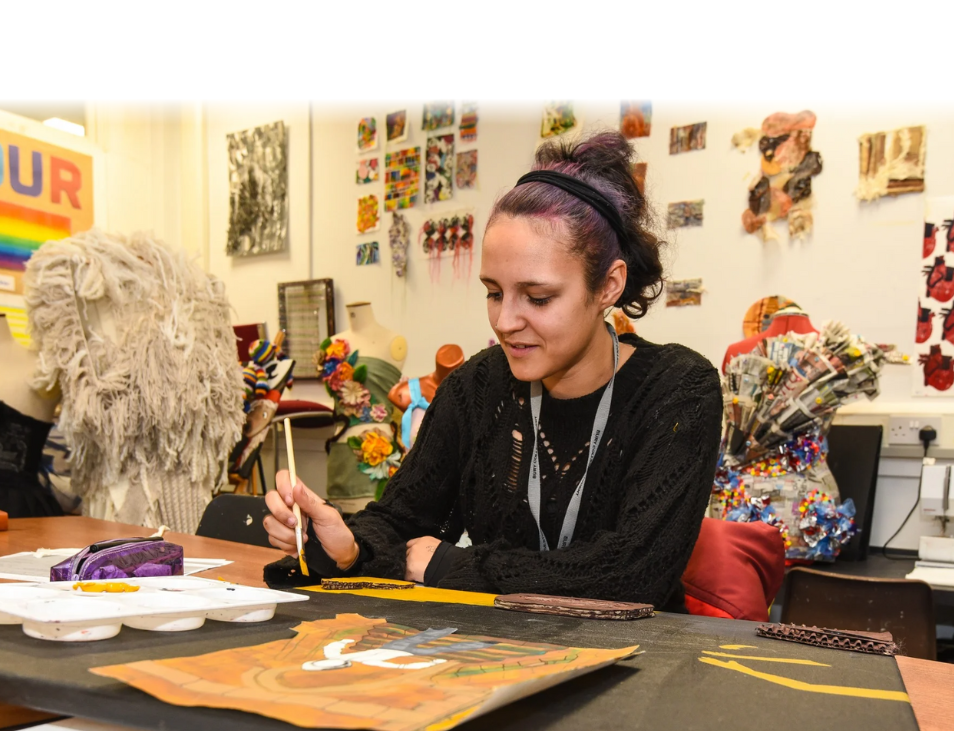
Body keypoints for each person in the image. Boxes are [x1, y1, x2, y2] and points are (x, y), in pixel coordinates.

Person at [265, 131, 721, 611]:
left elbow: (634, 574)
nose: (505, 322)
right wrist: (346, 546)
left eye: (538, 298)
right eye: (493, 292)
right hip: (498, 658)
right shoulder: (478, 386)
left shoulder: (678, 391)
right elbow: (401, 520)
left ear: (608, 286)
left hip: (636, 667)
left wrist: (451, 567)